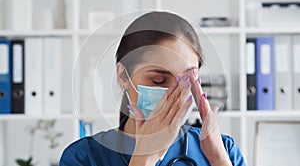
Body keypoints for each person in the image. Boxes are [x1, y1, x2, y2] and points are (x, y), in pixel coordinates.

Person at [60, 11, 245, 166]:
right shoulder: (84, 157)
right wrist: (144, 157)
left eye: (187, 79)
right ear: (123, 76)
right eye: (158, 80)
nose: (175, 93)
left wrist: (219, 160)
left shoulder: (224, 150)